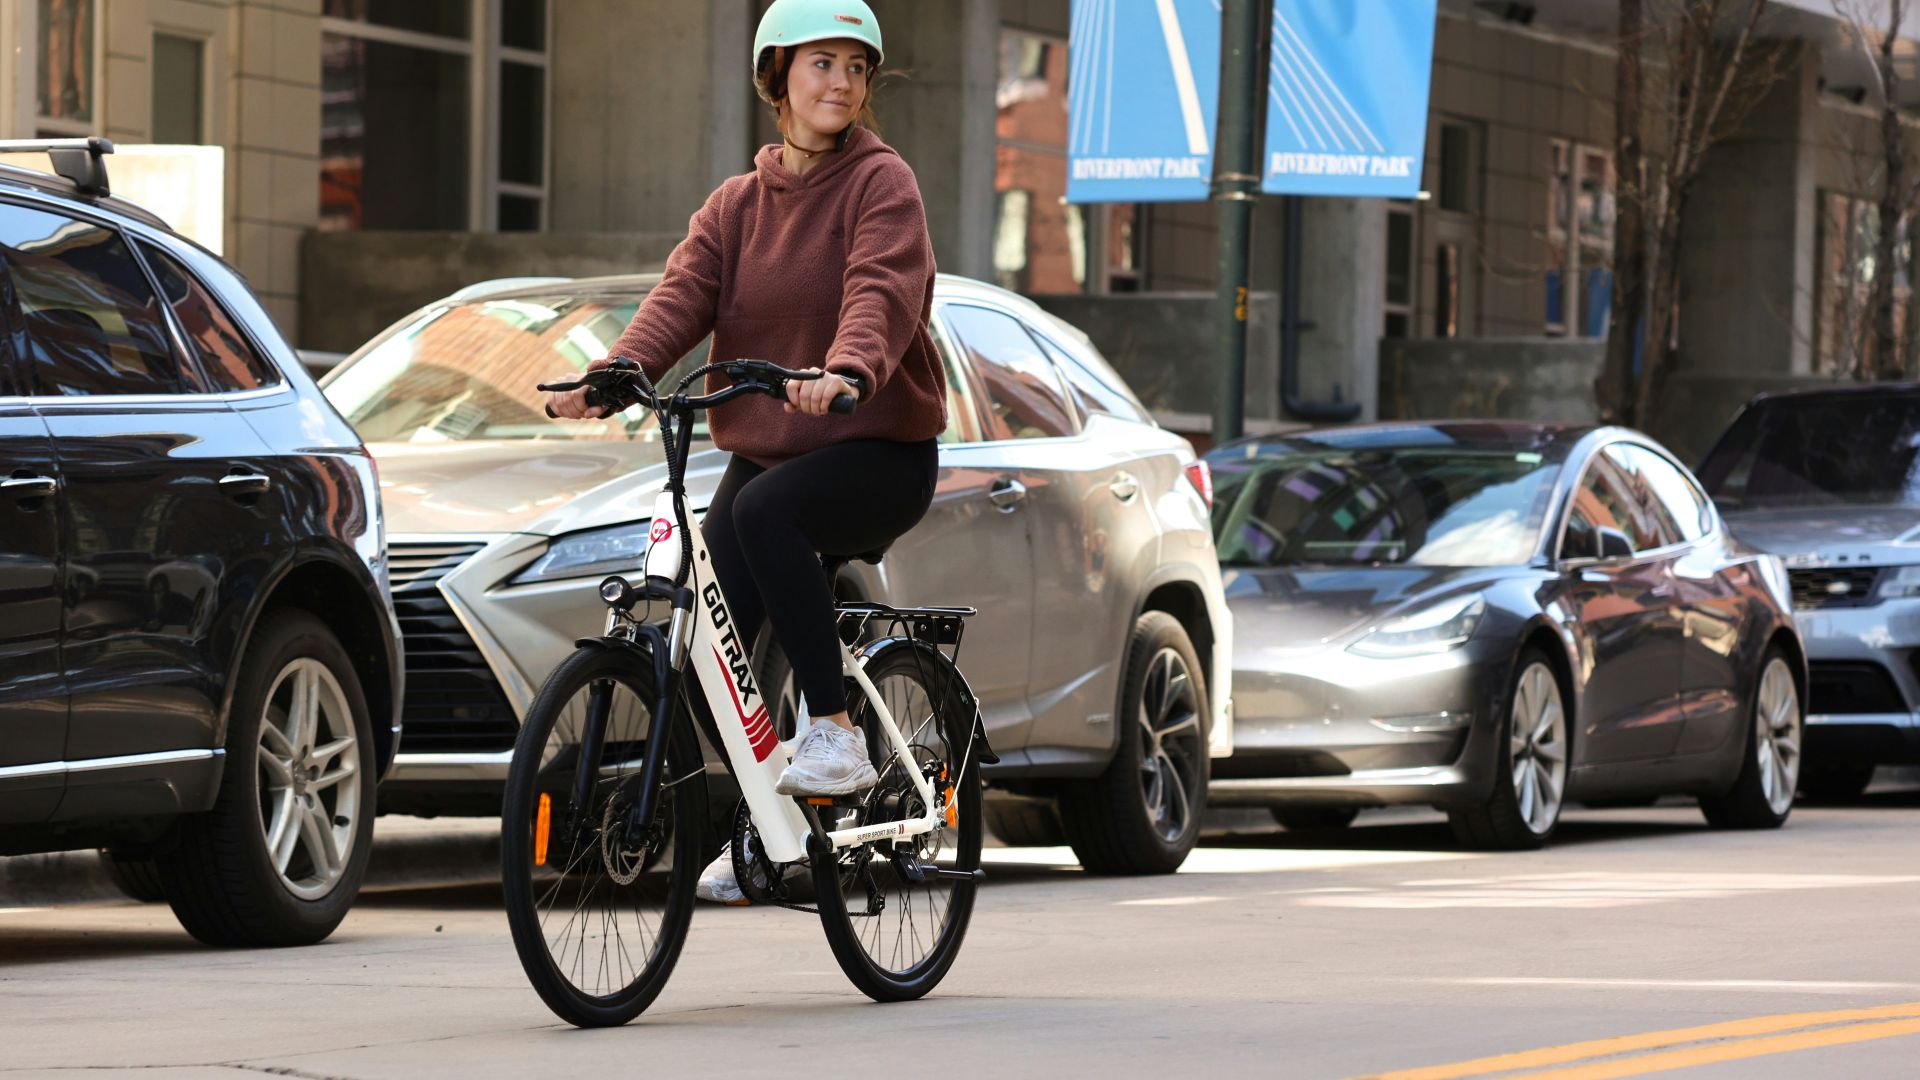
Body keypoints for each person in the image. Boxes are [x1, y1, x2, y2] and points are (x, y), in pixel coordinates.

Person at [545, 0, 946, 904]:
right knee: (706, 634)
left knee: (769, 514)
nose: (840, 81)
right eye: (821, 63)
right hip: (773, 450)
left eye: (855, 66)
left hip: (877, 447)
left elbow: (879, 288)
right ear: (778, 77)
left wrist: (846, 369)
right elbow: (679, 300)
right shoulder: (736, 205)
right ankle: (773, 827)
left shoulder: (884, 184)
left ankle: (837, 730)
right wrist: (611, 377)